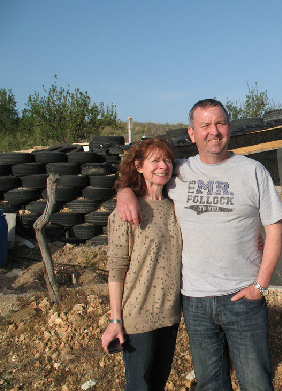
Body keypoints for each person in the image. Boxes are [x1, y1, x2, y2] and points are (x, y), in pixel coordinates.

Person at [116, 99, 282, 390]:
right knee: (209, 384)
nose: (213, 131)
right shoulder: (177, 172)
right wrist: (124, 193)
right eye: (205, 125)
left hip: (243, 299)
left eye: (219, 123)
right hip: (195, 302)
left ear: (229, 128)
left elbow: (275, 228)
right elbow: (141, 178)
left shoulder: (252, 171)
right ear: (192, 133)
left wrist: (260, 285)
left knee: (256, 382)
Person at [100, 137, 182, 390]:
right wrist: (115, 320)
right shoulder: (127, 211)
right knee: (139, 386)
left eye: (167, 160)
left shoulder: (177, 207)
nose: (162, 166)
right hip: (138, 315)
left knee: (158, 382)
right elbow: (116, 267)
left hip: (170, 314)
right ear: (138, 166)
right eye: (154, 160)